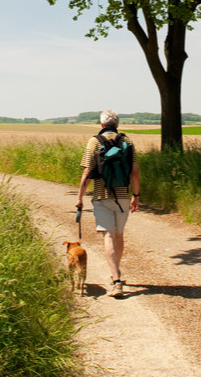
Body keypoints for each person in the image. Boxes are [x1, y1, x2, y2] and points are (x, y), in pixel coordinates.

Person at [75, 109, 140, 298]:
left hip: (102, 196)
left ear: (101, 125)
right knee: (119, 235)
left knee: (109, 236)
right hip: (123, 196)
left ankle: (116, 279)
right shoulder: (127, 142)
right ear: (117, 125)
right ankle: (116, 274)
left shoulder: (94, 141)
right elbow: (134, 172)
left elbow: (87, 172)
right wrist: (136, 195)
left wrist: (79, 197)